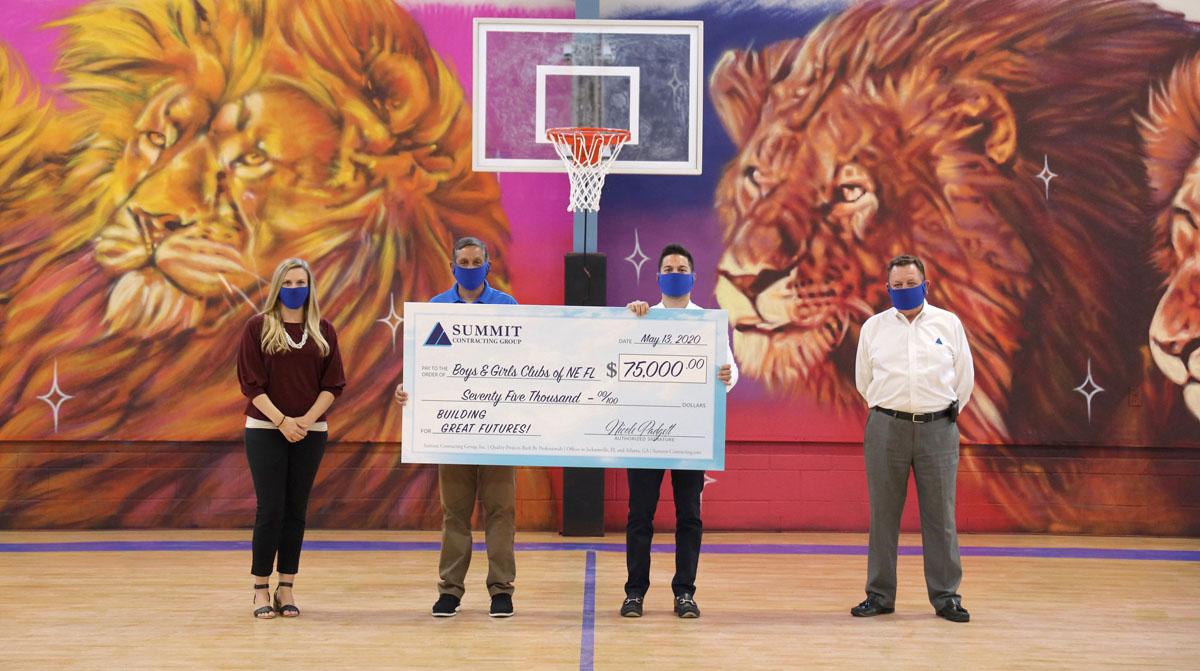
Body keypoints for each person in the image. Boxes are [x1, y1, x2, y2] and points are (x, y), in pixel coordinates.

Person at [394, 237, 519, 618]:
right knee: (454, 513)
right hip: (452, 428)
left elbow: (525, 359)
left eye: (476, 260)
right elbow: (422, 364)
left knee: (501, 511)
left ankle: (501, 591)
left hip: (498, 425)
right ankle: (450, 591)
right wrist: (407, 389)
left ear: (487, 265)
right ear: (452, 266)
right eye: (463, 261)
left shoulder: (507, 307)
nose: (470, 266)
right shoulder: (434, 309)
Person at [851, 254, 974, 623]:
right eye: (897, 285)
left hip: (939, 429)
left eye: (911, 282)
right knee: (883, 517)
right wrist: (890, 410)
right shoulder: (873, 327)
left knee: (941, 517)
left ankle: (946, 596)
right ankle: (879, 595)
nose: (904, 289)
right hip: (886, 428)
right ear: (888, 288)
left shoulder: (948, 323)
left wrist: (942, 414)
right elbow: (864, 380)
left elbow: (963, 379)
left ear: (926, 285)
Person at [621, 243, 738, 619]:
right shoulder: (640, 316)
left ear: (693, 276)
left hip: (690, 434)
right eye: (668, 268)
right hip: (643, 434)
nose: (675, 273)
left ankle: (684, 592)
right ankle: (634, 593)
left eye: (681, 268)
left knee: (689, 517)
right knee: (640, 517)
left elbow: (730, 374)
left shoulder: (710, 322)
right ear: (656, 277)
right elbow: (613, 355)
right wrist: (625, 319)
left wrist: (726, 375)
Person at [237, 258, 346, 619]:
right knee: (270, 510)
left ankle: (286, 587)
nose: (295, 288)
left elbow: (333, 384)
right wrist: (283, 421)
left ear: (310, 287)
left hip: (310, 432)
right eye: (288, 281)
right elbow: (251, 384)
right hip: (266, 429)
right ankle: (259, 589)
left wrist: (305, 421)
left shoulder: (323, 330)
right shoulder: (257, 327)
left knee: (296, 511)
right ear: (277, 286)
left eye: (301, 282)